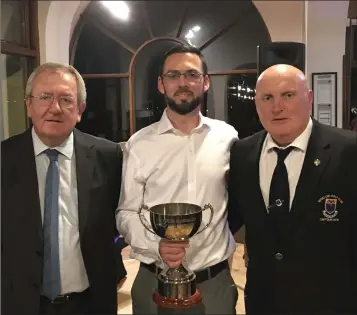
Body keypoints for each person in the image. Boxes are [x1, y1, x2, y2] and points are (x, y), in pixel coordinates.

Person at [116, 45, 238, 314]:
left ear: (205, 82)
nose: (183, 83)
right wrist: (155, 245)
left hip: (214, 284)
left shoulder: (227, 138)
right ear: (161, 84)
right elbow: (125, 213)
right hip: (153, 282)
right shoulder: (139, 144)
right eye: (173, 75)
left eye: (192, 74)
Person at [227, 64, 357, 314]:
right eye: (267, 98)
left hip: (332, 303)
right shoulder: (242, 153)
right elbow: (231, 218)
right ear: (256, 104)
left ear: (309, 98)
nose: (277, 107)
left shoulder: (348, 151)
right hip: (264, 303)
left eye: (288, 95)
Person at [1, 62, 123, 315]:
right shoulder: (4, 159)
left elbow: (119, 218)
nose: (54, 108)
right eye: (44, 97)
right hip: (19, 303)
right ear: (28, 105)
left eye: (66, 99)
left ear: (80, 110)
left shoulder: (108, 156)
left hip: (90, 303)